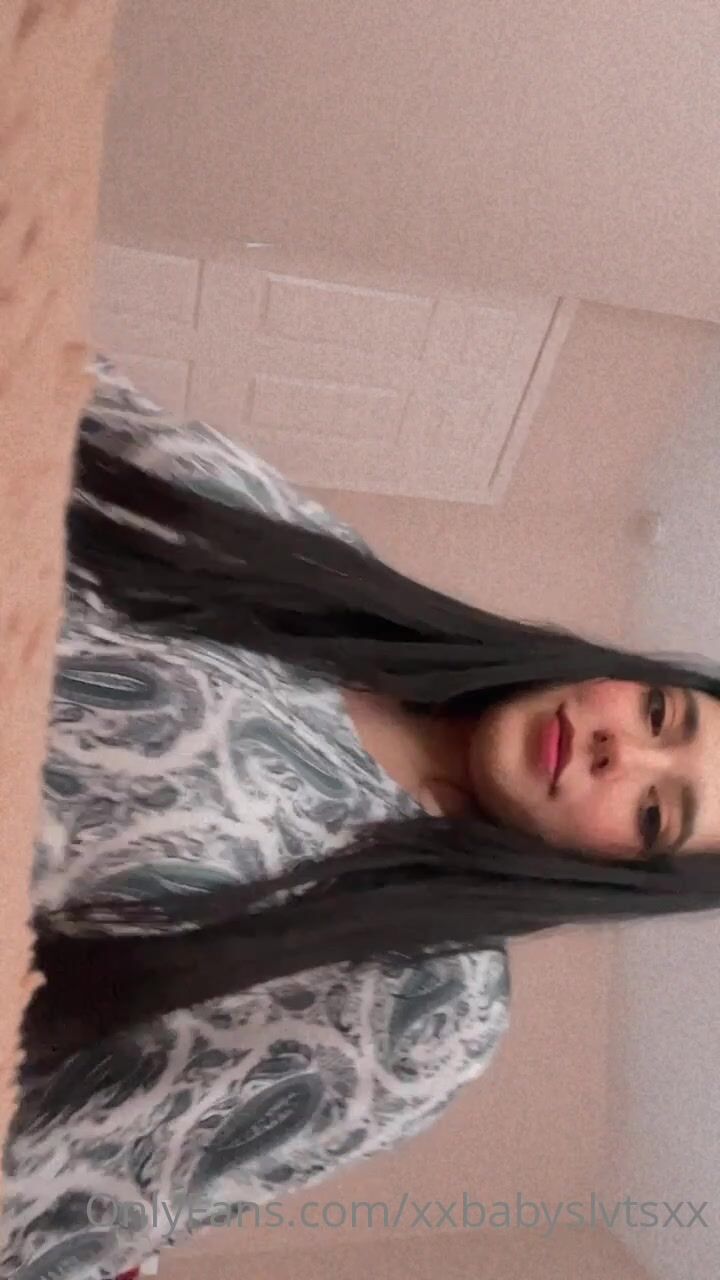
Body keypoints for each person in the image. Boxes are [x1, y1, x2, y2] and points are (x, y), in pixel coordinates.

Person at [3, 356, 720, 1278]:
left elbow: (63, 1198)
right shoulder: (331, 571)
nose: (623, 751)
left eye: (655, 811)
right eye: (660, 713)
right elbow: (64, 386)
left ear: (619, 870)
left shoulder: (428, 1008)